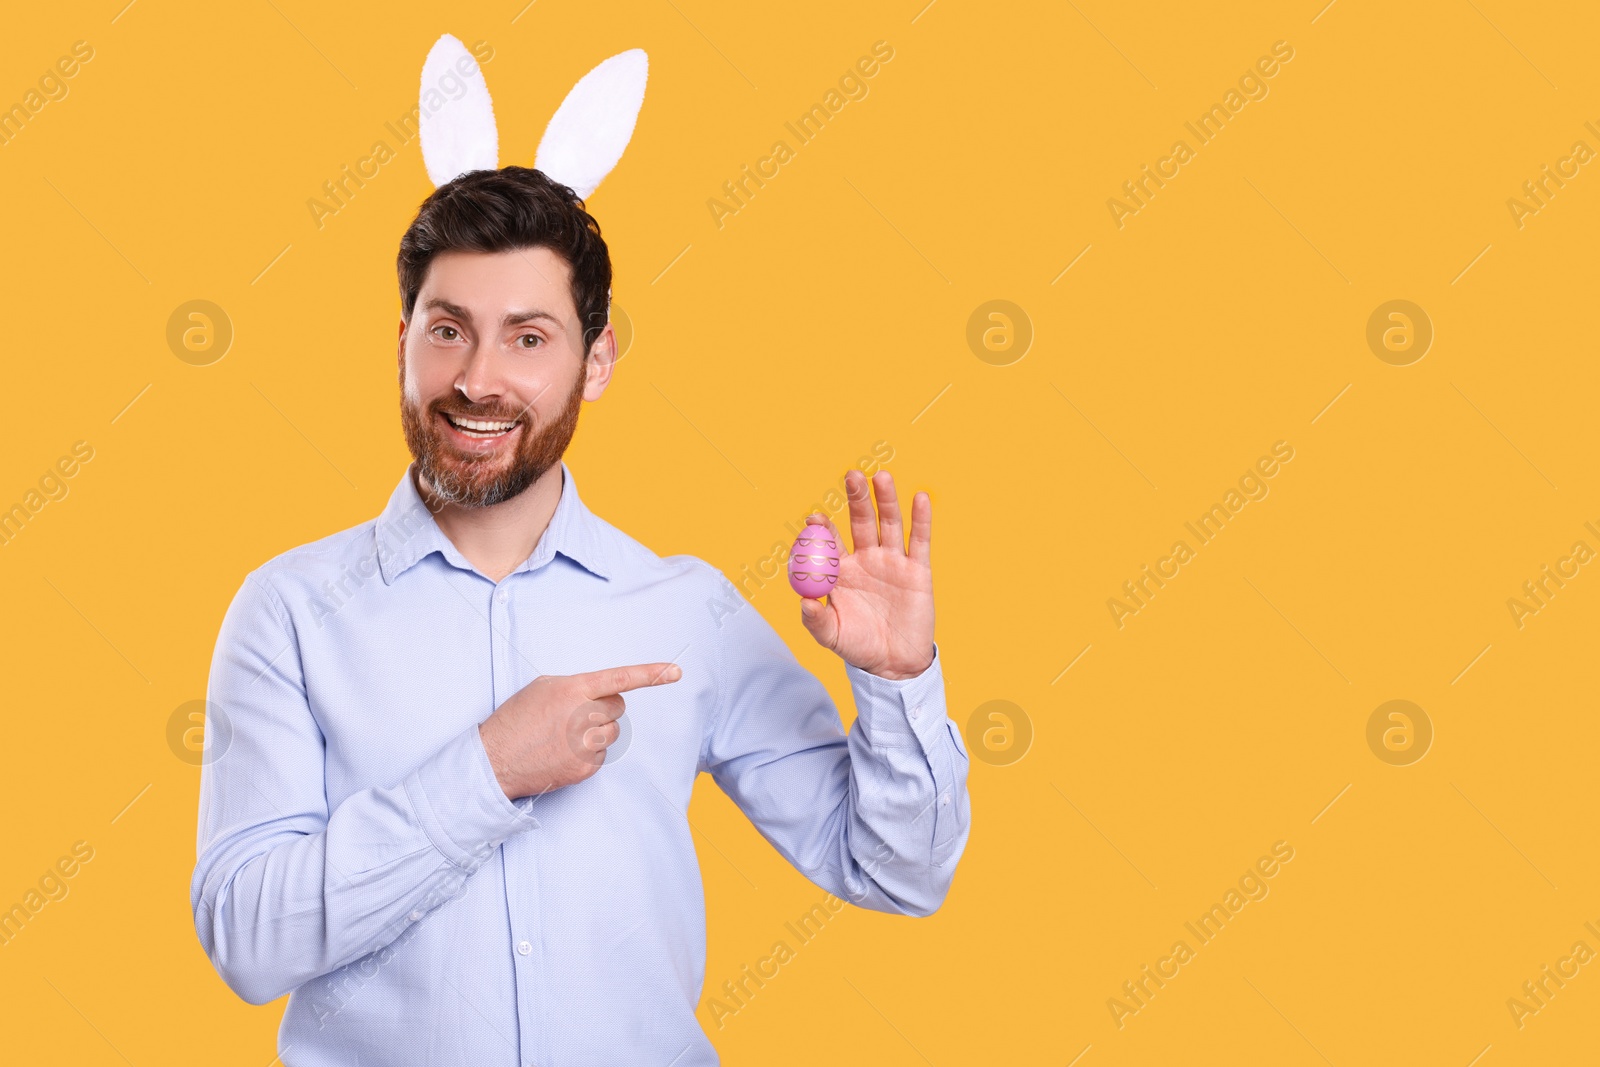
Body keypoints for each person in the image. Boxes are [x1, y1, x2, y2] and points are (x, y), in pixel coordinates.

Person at [190, 164, 971, 1065]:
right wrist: (487, 771)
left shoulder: (687, 610)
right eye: (449, 332)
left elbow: (896, 870)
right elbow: (248, 940)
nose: (478, 380)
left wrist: (897, 683)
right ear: (403, 342)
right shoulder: (289, 610)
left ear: (595, 362)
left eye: (528, 338)